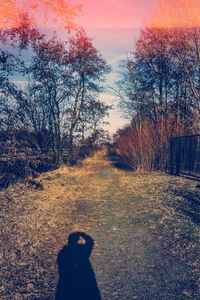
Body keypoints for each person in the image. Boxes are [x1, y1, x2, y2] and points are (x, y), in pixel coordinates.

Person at [56, 232, 101, 300]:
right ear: (77, 240)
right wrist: (82, 234)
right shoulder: (81, 250)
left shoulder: (63, 252)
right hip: (85, 282)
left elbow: (62, 268)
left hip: (67, 283)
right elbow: (90, 242)